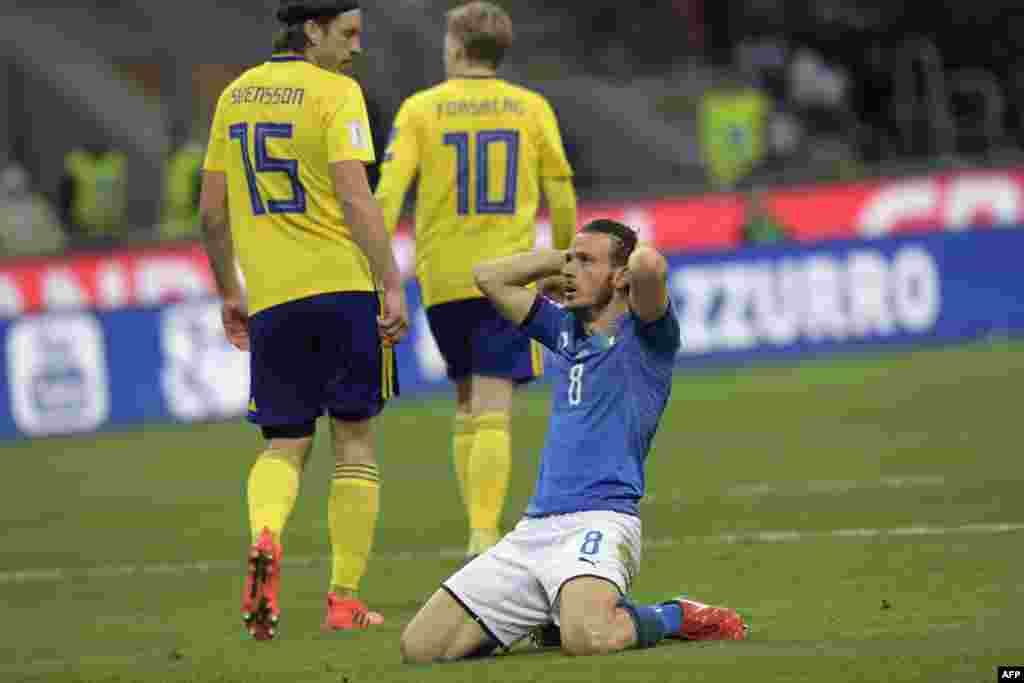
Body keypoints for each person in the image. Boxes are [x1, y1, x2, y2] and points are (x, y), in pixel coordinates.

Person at [400, 219, 748, 662]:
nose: (570, 272)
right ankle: (541, 613)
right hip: (534, 529)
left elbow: (651, 266)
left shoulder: (647, 338)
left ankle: (673, 615)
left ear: (619, 276)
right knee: (421, 648)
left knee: (588, 640)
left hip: (601, 522)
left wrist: (627, 263)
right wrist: (562, 260)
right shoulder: (561, 329)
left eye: (586, 262)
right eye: (571, 260)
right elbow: (488, 277)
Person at [198, 0, 408, 641]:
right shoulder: (336, 93)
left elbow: (211, 212)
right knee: (354, 442)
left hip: (274, 300)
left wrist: (229, 290)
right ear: (310, 30)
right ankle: (344, 600)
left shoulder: (233, 96)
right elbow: (354, 193)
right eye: (347, 33)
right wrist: (391, 281)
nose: (355, 47)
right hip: (344, 291)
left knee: (283, 444)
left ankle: (266, 534)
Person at [375, 1, 578, 558]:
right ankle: (484, 534)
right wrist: (564, 263)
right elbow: (560, 192)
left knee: (467, 400)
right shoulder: (530, 108)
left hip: (441, 278)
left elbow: (388, 195)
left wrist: (375, 263)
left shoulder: (422, 110)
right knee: (493, 404)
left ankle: (477, 525)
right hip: (508, 276)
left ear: (458, 46)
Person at [0, 163, 67, 256]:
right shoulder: (40, 205)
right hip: (35, 260)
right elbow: (59, 241)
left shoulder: (40, 206)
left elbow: (58, 239)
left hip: (31, 261)